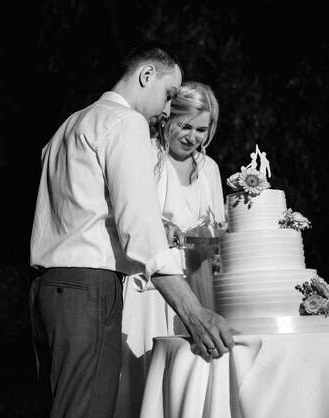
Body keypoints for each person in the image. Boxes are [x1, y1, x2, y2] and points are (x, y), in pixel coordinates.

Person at [29, 43, 235, 418]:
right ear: (145, 76)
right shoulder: (125, 123)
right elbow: (140, 230)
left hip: (47, 290)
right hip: (88, 291)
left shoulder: (68, 126)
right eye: (169, 94)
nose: (168, 108)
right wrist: (193, 312)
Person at [114, 81, 229, 418]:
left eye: (201, 129)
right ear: (167, 119)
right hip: (149, 288)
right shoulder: (147, 155)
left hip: (196, 286)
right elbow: (129, 216)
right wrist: (158, 224)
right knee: (140, 377)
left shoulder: (210, 169)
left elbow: (218, 233)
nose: (192, 136)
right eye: (185, 126)